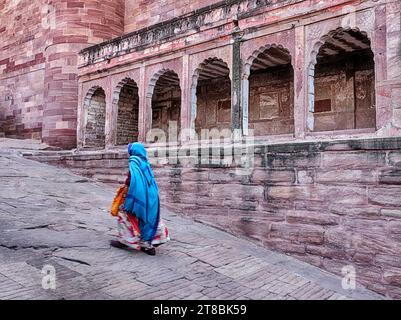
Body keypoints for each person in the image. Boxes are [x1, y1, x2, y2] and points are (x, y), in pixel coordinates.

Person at [110, 142, 170, 256]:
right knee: (149, 217)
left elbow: (133, 180)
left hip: (138, 194)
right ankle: (149, 244)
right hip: (152, 195)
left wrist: (128, 192)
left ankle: (126, 240)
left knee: (125, 214)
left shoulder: (134, 161)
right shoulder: (145, 163)